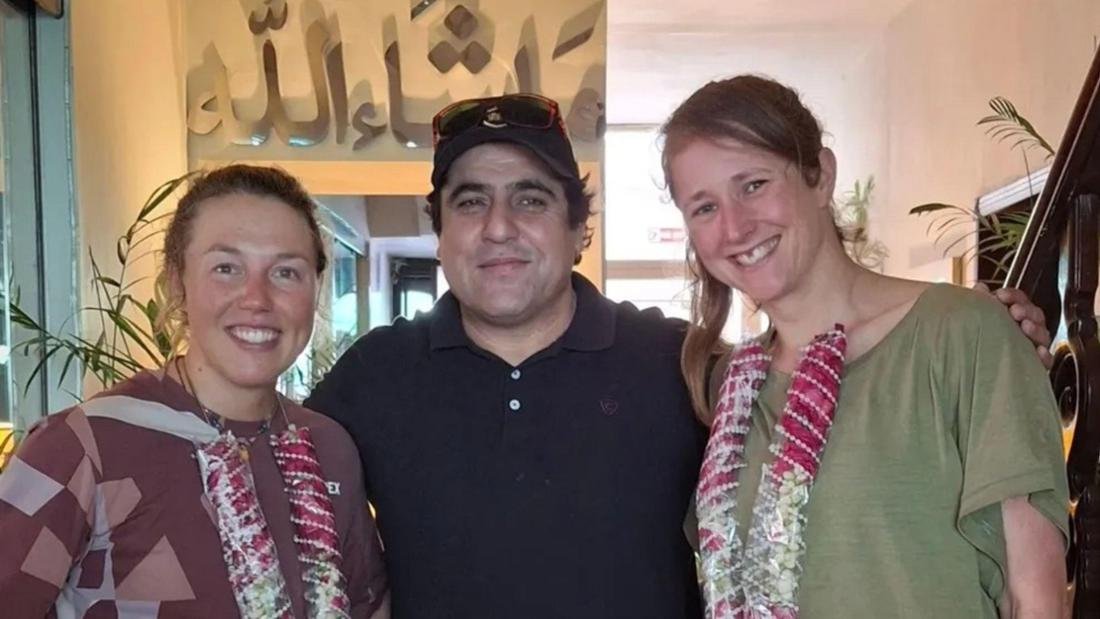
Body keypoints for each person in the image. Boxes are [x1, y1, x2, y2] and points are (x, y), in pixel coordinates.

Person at [306, 93, 1056, 618]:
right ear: (439, 230)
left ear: (579, 230)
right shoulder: (373, 375)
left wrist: (983, 332)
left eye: (531, 199)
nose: (499, 226)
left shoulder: (681, 367)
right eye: (470, 201)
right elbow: (269, 475)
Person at [663, 75, 1068, 618]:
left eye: (753, 184)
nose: (735, 227)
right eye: (704, 207)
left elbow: (1036, 598)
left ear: (821, 176)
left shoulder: (963, 336)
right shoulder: (729, 385)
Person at [0, 165, 389, 618]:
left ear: (315, 291)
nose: (257, 299)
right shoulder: (85, 447)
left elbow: (369, 607)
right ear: (176, 283)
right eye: (226, 268)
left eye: (286, 272)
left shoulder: (328, 447)